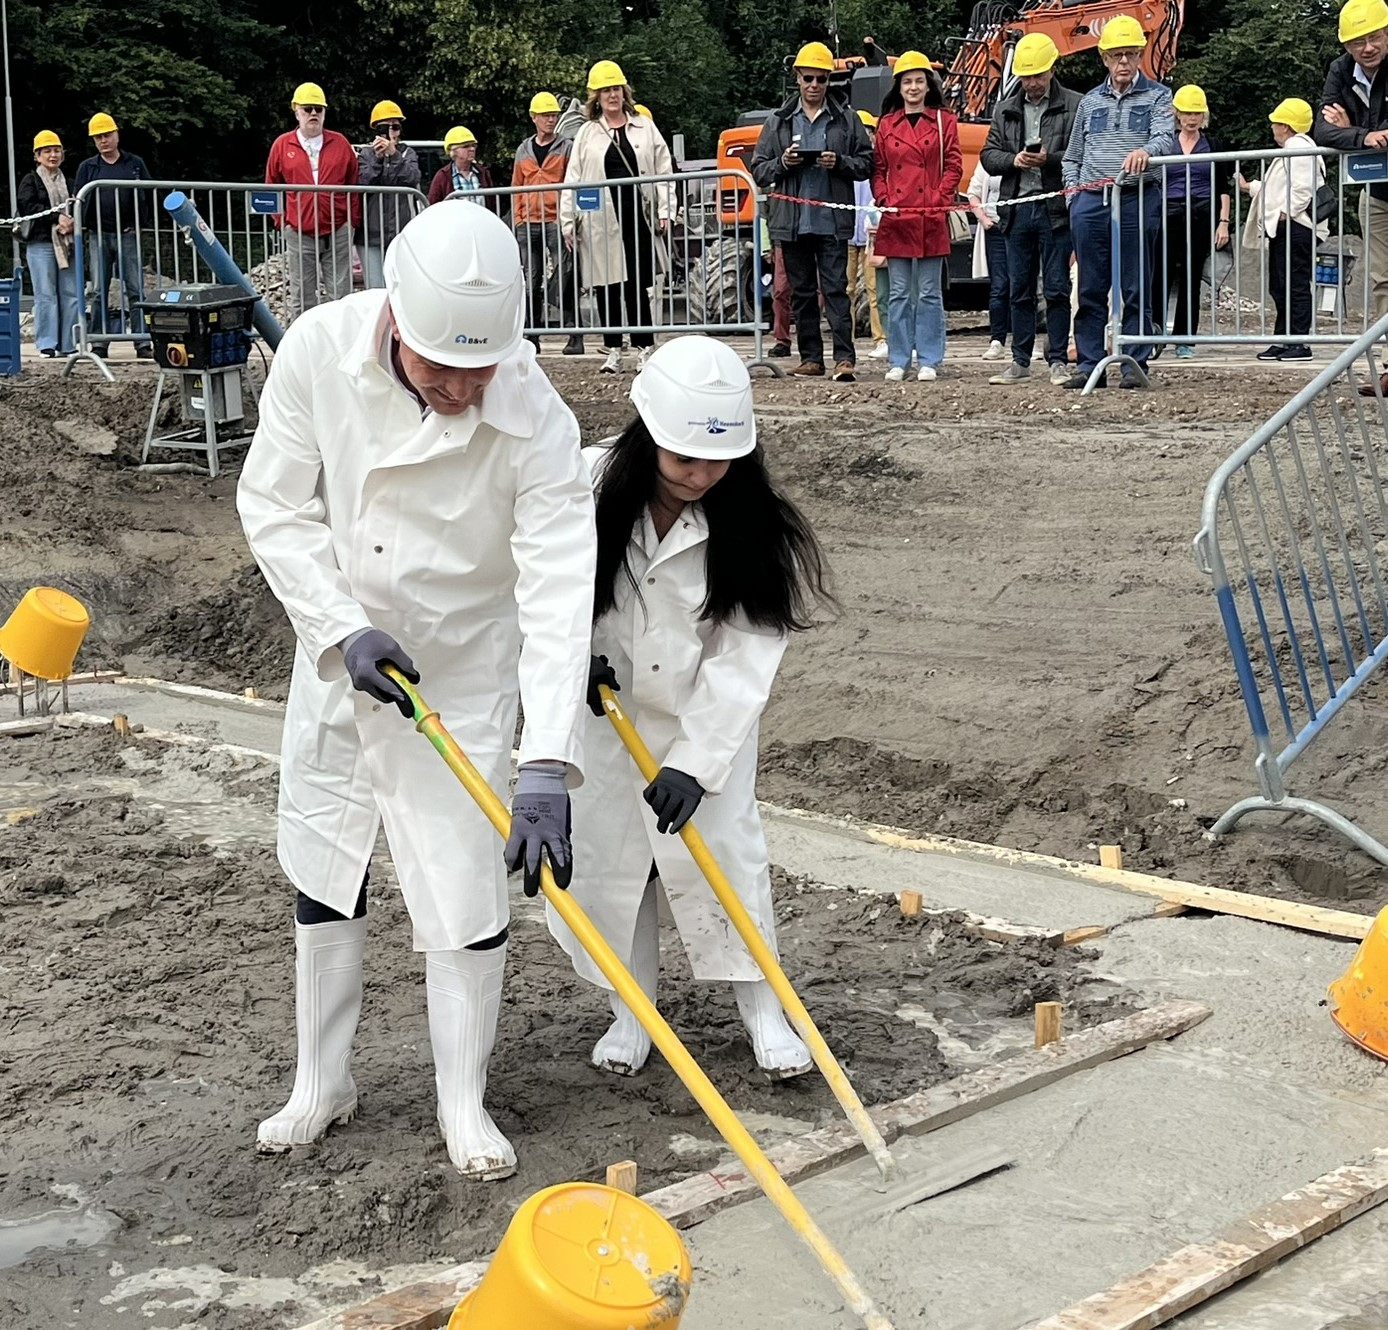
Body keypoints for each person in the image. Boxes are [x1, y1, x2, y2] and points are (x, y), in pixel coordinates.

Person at [237, 202, 596, 1180]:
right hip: (347, 658)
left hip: (463, 670)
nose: (459, 386)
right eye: (442, 366)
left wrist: (546, 761)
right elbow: (272, 504)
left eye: (478, 369)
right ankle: (322, 1080)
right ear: (395, 318)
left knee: (463, 885)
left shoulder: (536, 420)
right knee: (326, 861)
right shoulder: (318, 352)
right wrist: (337, 623)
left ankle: (461, 1100)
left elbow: (560, 590)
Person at [549, 335, 834, 1080]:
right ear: (649, 438)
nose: (702, 475)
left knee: (727, 868)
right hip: (604, 724)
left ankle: (764, 1011)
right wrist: (569, 661)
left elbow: (746, 654)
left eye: (718, 461)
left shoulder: (750, 519)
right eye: (684, 461)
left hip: (699, 723)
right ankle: (631, 1011)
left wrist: (696, 763)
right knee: (614, 872)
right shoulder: (583, 485)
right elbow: (543, 592)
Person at [1061, 15, 1174, 389]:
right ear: (1104, 59)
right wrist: (1074, 195)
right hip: (1091, 201)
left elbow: (1165, 138)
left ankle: (1134, 365)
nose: (1123, 62)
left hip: (1136, 198)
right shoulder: (1090, 101)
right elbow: (1073, 154)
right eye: (1116, 55)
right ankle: (1090, 362)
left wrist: (1145, 151)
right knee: (1090, 286)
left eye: (1129, 54)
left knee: (1135, 284)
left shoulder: (1159, 96)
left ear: (1140, 55)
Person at [749, 41, 873, 382]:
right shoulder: (779, 122)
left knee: (836, 292)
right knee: (802, 295)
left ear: (828, 80)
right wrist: (783, 163)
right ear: (798, 79)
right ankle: (811, 358)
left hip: (831, 223)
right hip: (792, 223)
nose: (815, 85)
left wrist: (840, 163)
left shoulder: (846, 119)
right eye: (809, 78)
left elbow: (866, 164)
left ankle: (844, 359)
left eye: (821, 79)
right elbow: (759, 170)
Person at [559, 60, 675, 376]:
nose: (612, 95)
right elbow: (574, 178)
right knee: (606, 286)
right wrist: (568, 221)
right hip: (600, 219)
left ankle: (644, 348)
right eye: (606, 90)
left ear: (625, 92)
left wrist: (666, 210)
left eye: (616, 89)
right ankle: (612, 351)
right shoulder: (587, 133)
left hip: (637, 215)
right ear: (595, 97)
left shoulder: (645, 126)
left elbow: (664, 170)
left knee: (637, 285)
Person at [980, 33, 1081, 387]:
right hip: (1017, 209)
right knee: (1018, 288)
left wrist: (1048, 160)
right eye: (1026, 76)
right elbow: (988, 156)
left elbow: (1079, 155)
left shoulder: (1074, 105)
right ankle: (1019, 360)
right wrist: (1015, 160)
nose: (1032, 83)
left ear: (1052, 69)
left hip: (1055, 210)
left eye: (1038, 75)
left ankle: (1057, 360)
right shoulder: (1005, 109)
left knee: (1056, 287)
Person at [872, 51, 962, 383]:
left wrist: (939, 198)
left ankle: (929, 358)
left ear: (928, 85)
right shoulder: (885, 124)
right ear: (899, 87)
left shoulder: (945, 121)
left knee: (928, 292)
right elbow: (878, 169)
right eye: (907, 81)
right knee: (897, 292)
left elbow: (954, 165)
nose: (913, 87)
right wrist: (883, 197)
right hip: (896, 217)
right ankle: (898, 358)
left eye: (919, 81)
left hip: (929, 215)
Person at [1316, 0, 1388, 334]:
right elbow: (1322, 130)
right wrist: (1364, 135)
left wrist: (1351, 128)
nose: (1368, 47)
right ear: (1346, 44)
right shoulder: (1340, 70)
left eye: (1374, 37)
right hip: (1376, 192)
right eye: (1358, 41)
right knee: (1382, 280)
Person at [265, 83, 361, 323]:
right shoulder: (282, 145)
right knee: (303, 295)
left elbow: (354, 183)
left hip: (337, 228)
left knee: (341, 295)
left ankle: (342, 345)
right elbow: (271, 184)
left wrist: (351, 221)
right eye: (308, 109)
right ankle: (304, 350)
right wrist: (282, 222)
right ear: (296, 111)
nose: (314, 114)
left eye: (319, 109)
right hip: (299, 230)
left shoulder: (340, 143)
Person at [1239, 99, 1325, 363]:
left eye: (1276, 123)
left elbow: (1302, 189)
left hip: (1295, 226)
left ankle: (1298, 341)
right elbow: (1277, 188)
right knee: (1283, 285)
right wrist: (1250, 187)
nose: (1273, 128)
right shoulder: (1296, 147)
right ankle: (1285, 338)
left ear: (1285, 126)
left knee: (1293, 284)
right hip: (1290, 225)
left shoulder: (1298, 147)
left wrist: (1288, 213)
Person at [1152, 85, 1233, 359]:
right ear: (1176, 114)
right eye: (1186, 112)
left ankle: (1185, 338)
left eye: (1196, 113)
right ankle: (1154, 333)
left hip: (1202, 213)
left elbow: (1223, 187)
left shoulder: (1214, 144)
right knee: (1160, 273)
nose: (1191, 118)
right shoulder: (1164, 143)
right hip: (1167, 211)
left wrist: (1224, 222)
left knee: (1191, 275)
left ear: (1203, 115)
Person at [73, 112, 152, 358]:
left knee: (136, 289)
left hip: (127, 234)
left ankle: (141, 342)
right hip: (98, 234)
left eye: (106, 135)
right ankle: (98, 342)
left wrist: (141, 223)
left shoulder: (134, 164)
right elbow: (78, 198)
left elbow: (149, 193)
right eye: (98, 137)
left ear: (116, 135)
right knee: (98, 291)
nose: (103, 141)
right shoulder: (88, 167)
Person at [513, 92, 584, 355]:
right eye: (545, 116)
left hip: (556, 221)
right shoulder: (523, 149)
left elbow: (573, 183)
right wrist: (519, 219)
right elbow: (517, 187)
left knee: (565, 278)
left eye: (553, 115)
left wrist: (570, 221)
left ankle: (575, 335)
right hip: (528, 223)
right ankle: (532, 335)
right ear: (534, 118)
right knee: (531, 280)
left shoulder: (566, 147)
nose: (551, 120)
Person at [18, 131, 78, 358]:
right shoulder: (30, 180)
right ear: (37, 155)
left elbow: (81, 205)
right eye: (47, 151)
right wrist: (57, 218)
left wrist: (72, 223)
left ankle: (68, 344)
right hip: (41, 243)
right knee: (46, 294)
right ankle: (47, 343)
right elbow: (27, 206)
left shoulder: (70, 181)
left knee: (70, 293)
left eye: (56, 150)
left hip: (68, 243)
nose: (53, 155)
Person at [356, 99, 421, 290]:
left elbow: (412, 177)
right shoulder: (365, 154)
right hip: (370, 235)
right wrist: (377, 159)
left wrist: (393, 156)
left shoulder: (407, 153)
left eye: (395, 127)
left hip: (400, 234)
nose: (391, 132)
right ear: (376, 130)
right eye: (385, 127)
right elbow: (363, 182)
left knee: (400, 288)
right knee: (375, 290)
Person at [848, 110, 888, 360]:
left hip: (873, 234)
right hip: (848, 235)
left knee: (875, 289)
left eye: (869, 130)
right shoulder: (849, 163)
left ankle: (881, 339)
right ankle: (846, 340)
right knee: (846, 289)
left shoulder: (877, 164)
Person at [967, 160, 1008, 361]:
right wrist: (983, 219)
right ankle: (997, 340)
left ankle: (1024, 341)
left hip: (1020, 227)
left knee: (1023, 285)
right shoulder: (987, 161)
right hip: (996, 229)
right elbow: (972, 193)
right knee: (999, 286)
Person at [428, 126, 498, 205]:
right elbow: (433, 207)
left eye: (473, 145)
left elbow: (492, 204)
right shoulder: (442, 176)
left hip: (481, 217)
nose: (472, 149)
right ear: (454, 151)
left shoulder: (483, 173)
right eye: (466, 146)